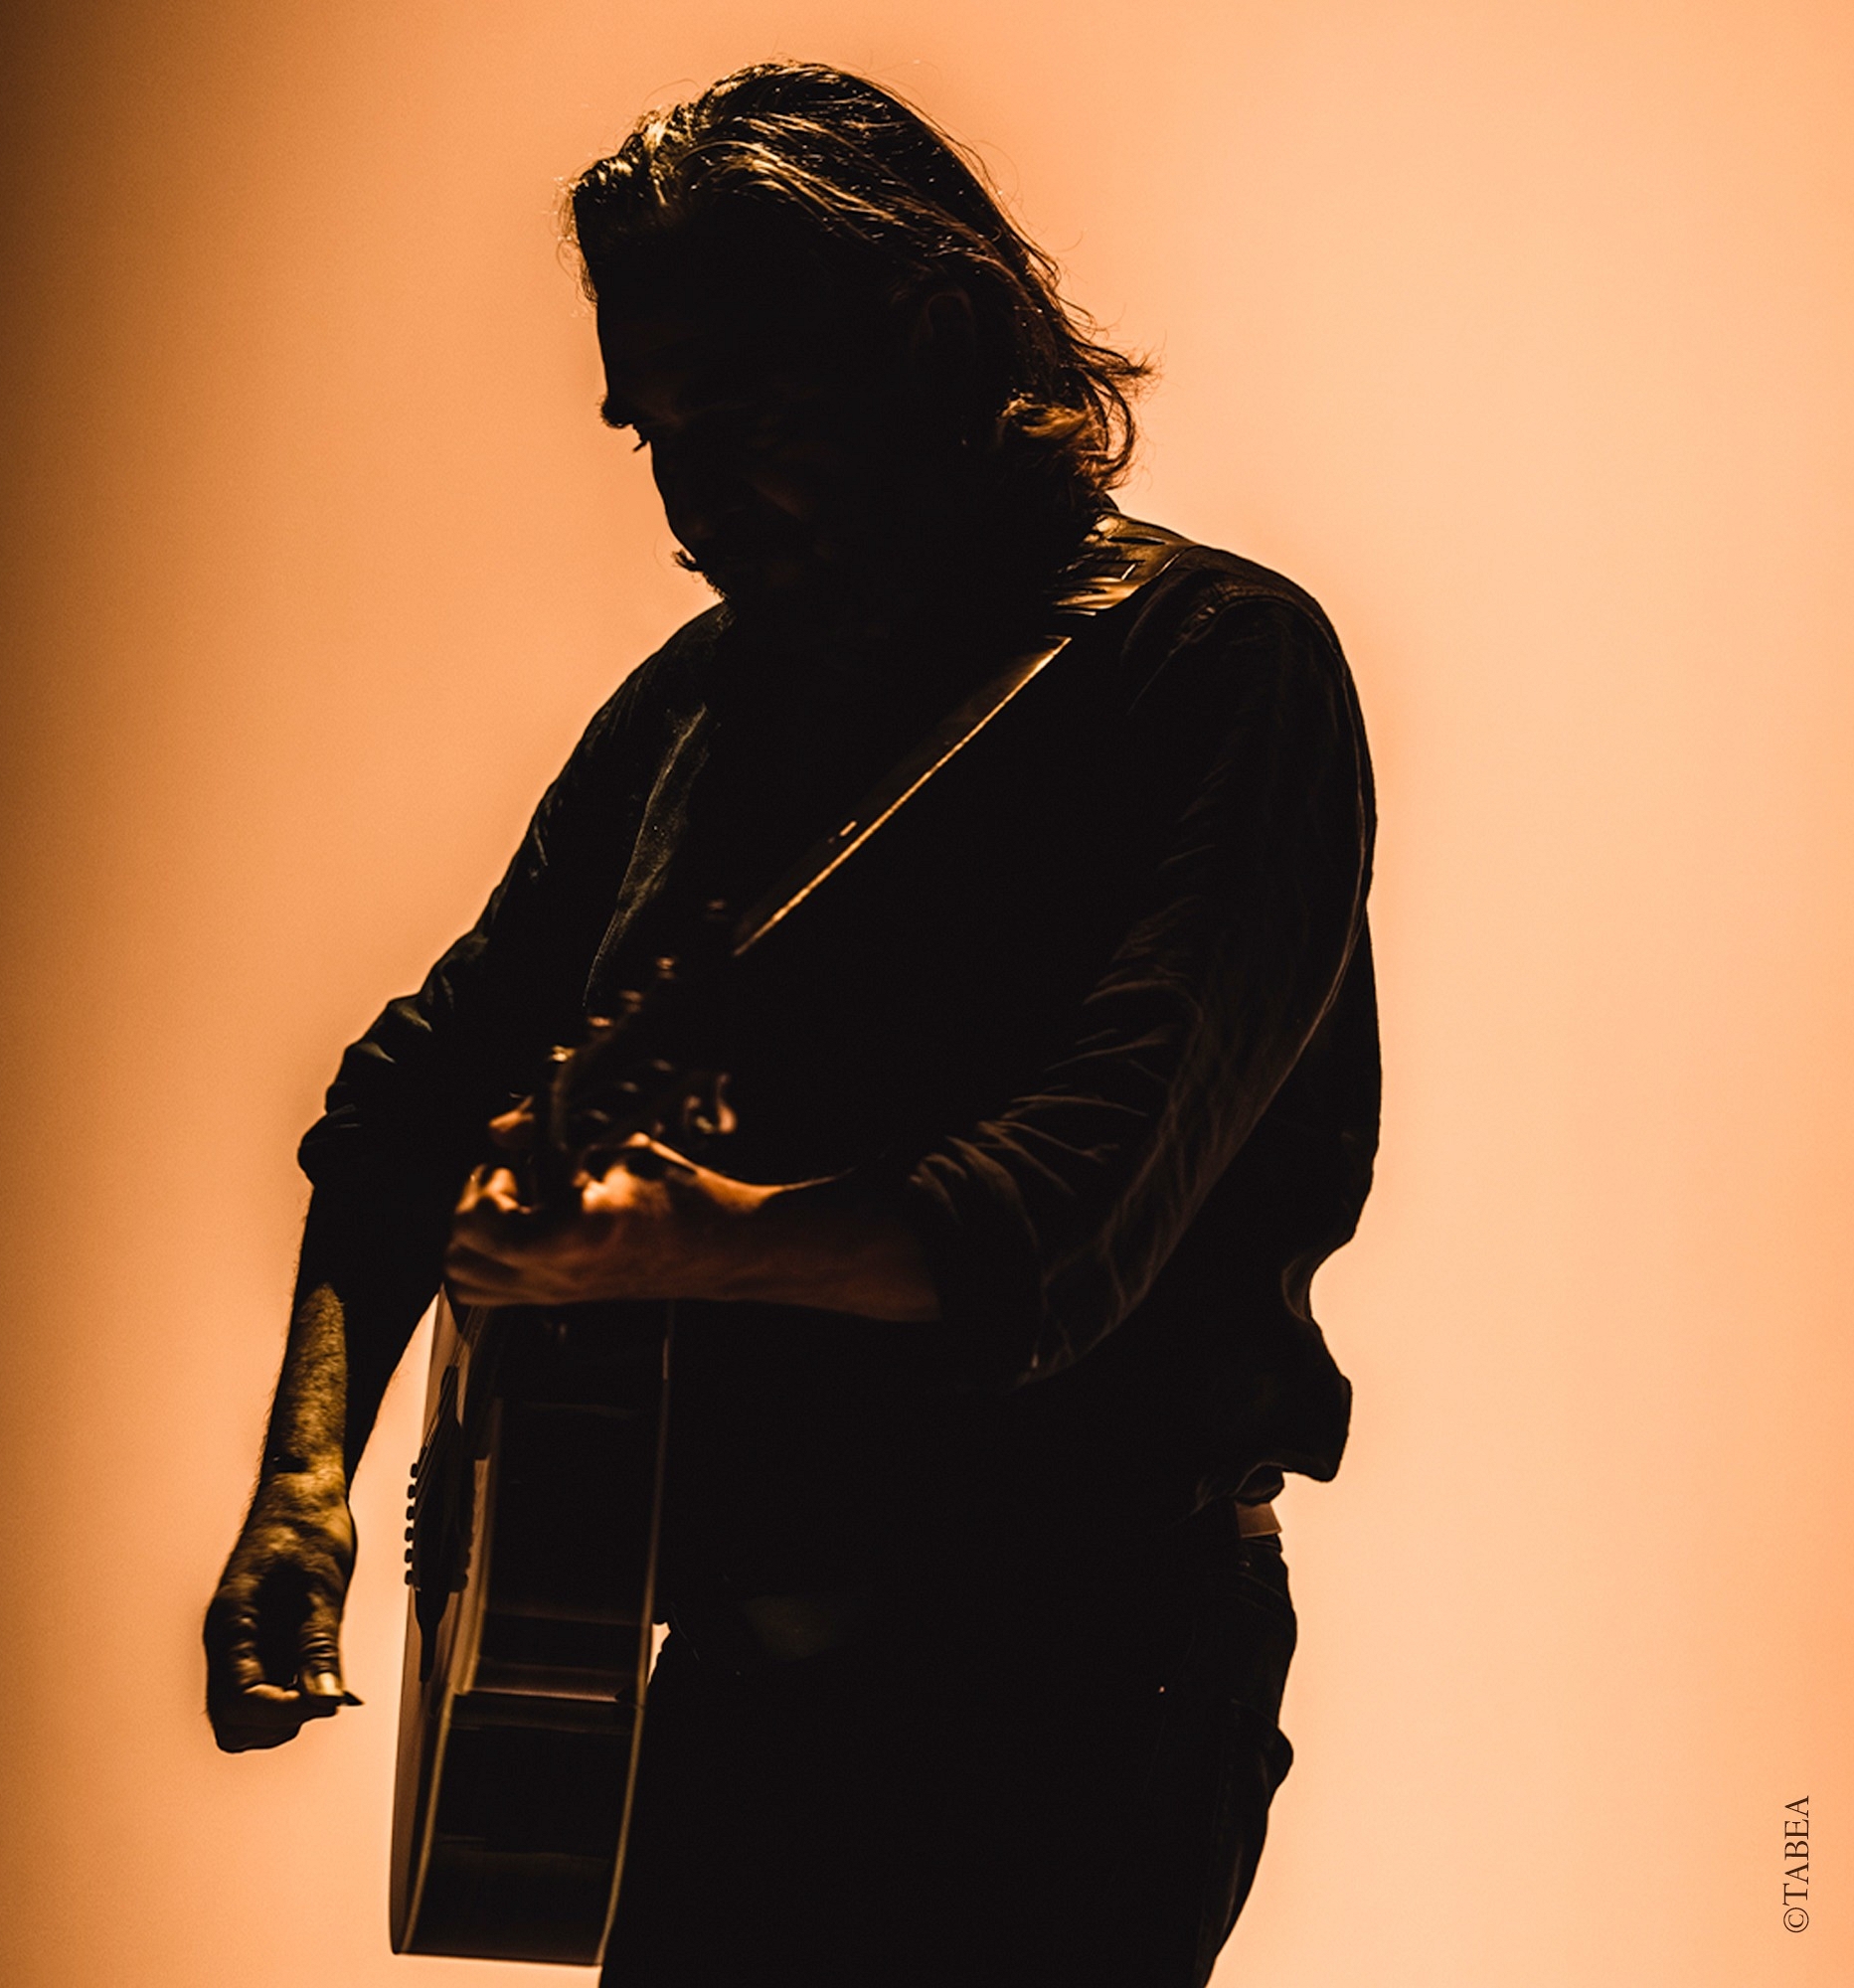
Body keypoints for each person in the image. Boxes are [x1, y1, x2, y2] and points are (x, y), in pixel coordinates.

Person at [204, 62, 1378, 1988]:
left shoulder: (1210, 673)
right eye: (650, 433)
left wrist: (690, 1242)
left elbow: (1065, 1216)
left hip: (1072, 1712)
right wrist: (305, 1486)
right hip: (737, 1711)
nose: (687, 497)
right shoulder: (698, 712)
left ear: (940, 341)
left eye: (742, 415)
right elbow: (410, 1103)